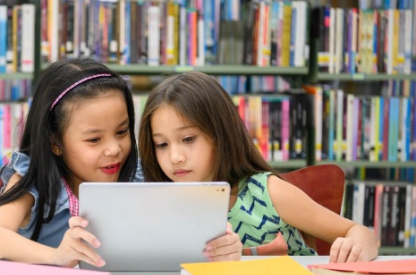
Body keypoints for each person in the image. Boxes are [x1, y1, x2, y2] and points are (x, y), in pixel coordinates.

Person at [138, 71, 379, 263]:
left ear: (221, 135)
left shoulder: (268, 192)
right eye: (161, 144)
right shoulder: (163, 205)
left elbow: (360, 233)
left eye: (188, 139)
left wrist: (357, 247)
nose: (175, 156)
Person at [0, 59, 139, 267]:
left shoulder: (138, 175)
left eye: (122, 131)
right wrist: (56, 256)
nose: (114, 149)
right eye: (94, 140)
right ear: (55, 142)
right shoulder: (34, 179)